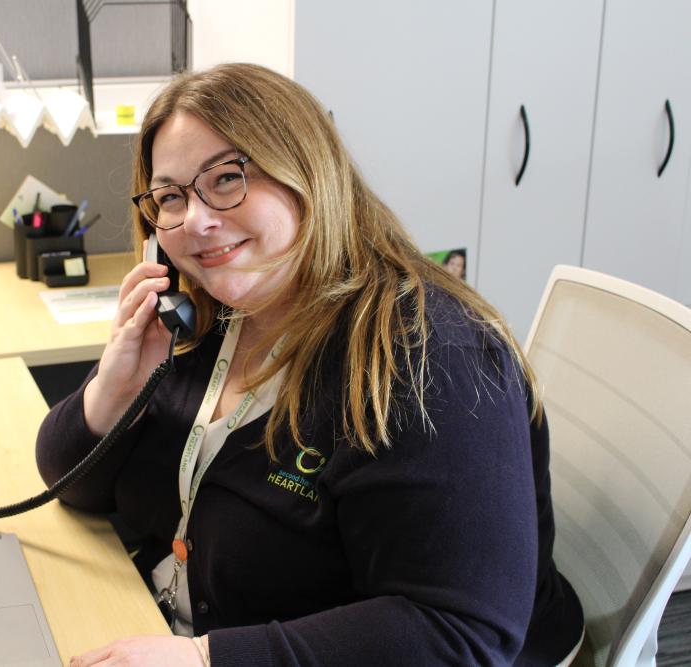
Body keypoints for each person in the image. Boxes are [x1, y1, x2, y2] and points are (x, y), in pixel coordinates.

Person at [36, 63, 584, 666]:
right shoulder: (205, 315)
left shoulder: (431, 361)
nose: (195, 220)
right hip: (166, 624)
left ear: (308, 175)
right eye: (170, 197)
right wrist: (115, 388)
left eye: (225, 179)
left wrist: (206, 660)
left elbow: (457, 636)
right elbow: (72, 484)